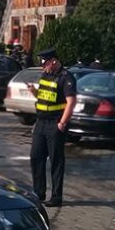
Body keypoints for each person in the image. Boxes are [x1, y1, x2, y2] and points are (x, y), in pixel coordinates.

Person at [26, 48, 77, 208]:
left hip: (55, 124)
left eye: (45, 64)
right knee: (36, 157)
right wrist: (34, 92)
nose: (43, 67)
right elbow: (43, 97)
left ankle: (56, 197)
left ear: (53, 61)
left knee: (56, 160)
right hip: (40, 122)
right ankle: (38, 193)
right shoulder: (46, 75)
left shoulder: (66, 77)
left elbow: (71, 102)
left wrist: (62, 123)